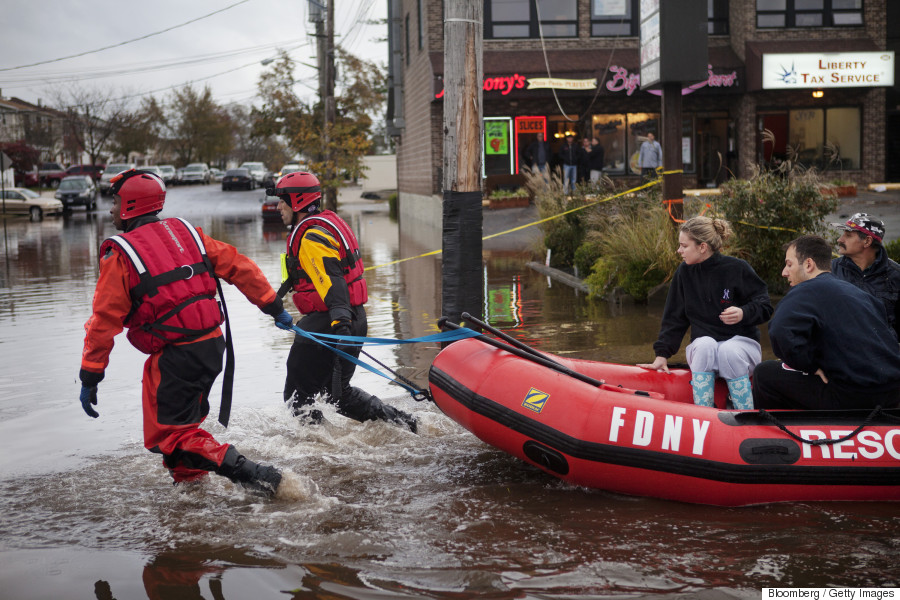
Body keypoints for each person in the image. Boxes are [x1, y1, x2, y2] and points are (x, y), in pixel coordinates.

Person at [79, 169, 288, 497]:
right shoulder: (188, 233)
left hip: (178, 358)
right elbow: (239, 265)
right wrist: (273, 306)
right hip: (210, 348)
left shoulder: (120, 255)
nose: (110, 209)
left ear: (131, 205)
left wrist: (90, 374)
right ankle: (191, 500)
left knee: (172, 440)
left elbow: (104, 320)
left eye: (115, 201)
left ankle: (255, 474)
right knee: (182, 437)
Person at [273, 171, 417, 431]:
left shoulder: (310, 238)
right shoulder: (325, 224)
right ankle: (406, 425)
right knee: (337, 395)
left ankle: (326, 451)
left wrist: (340, 326)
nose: (278, 206)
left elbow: (333, 281)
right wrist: (273, 302)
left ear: (297, 202)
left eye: (282, 200)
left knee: (297, 400)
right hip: (354, 319)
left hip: (329, 325)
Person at [638, 216, 773, 409]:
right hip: (705, 351)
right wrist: (662, 355)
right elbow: (674, 318)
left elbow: (765, 306)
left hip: (742, 348)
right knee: (704, 345)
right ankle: (704, 413)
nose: (679, 251)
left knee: (729, 350)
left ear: (702, 247)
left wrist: (744, 312)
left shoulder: (737, 268)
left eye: (684, 246)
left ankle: (745, 413)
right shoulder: (683, 273)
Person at [753, 235, 900, 410]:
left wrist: (809, 365)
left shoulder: (804, 290)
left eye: (789, 264)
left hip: (851, 396)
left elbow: (780, 333)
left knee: (764, 372)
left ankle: (774, 431)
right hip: (892, 392)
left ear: (808, 264)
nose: (784, 272)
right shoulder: (859, 293)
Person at [830, 212, 900, 339]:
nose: (840, 240)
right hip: (840, 355)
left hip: (881, 355)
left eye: (848, 235)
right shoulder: (829, 270)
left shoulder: (896, 276)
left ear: (867, 241)